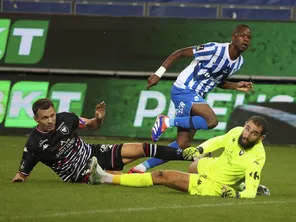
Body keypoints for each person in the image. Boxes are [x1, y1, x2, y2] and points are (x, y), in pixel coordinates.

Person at [129, 24, 254, 173]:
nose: (246, 39)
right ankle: (167, 121)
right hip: (184, 89)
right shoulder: (214, 49)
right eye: (243, 35)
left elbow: (217, 81)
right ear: (234, 36)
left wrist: (235, 85)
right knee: (211, 121)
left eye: (249, 37)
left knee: (182, 144)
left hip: (196, 97)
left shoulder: (239, 63)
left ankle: (140, 168)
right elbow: (179, 53)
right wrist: (158, 74)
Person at [11, 98, 200, 183]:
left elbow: (93, 125)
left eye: (52, 115)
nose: (50, 120)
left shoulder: (66, 118)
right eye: (45, 118)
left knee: (142, 148)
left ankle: (191, 158)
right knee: (126, 180)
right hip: (81, 172)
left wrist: (99, 117)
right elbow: (22, 173)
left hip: (94, 152)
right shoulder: (34, 144)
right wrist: (20, 177)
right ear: (36, 119)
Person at [90, 116, 268, 198]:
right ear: (244, 125)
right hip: (213, 166)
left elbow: (250, 195)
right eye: (247, 128)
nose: (246, 135)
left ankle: (105, 178)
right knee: (192, 166)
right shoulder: (237, 132)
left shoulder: (256, 159)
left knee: (163, 176)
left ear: (260, 138)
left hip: (214, 185)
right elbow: (217, 141)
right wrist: (198, 150)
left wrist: (236, 195)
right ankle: (242, 180)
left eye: (253, 134)